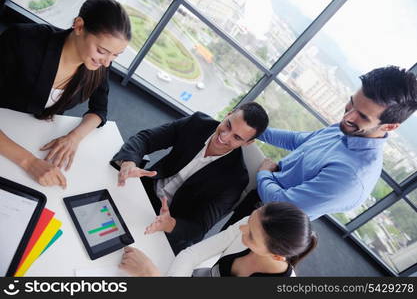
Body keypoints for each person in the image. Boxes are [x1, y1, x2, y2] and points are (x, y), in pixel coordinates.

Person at [224, 66, 417, 227]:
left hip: (269, 224)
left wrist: (264, 173)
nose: (348, 117)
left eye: (363, 116)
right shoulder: (346, 130)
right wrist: (250, 129)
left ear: (390, 126)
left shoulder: (352, 177)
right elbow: (298, 141)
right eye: (351, 104)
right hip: (263, 192)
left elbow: (283, 204)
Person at [0, 0, 131, 188]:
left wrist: (74, 137)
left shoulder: (97, 64)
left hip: (31, 135)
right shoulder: (23, 41)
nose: (107, 62)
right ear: (78, 26)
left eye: (115, 55)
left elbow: (99, 110)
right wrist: (29, 162)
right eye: (103, 51)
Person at [111, 102, 269, 254]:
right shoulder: (197, 123)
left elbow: (199, 228)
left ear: (248, 143)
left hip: (167, 222)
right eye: (228, 125)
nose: (225, 136)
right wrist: (130, 162)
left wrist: (169, 224)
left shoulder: (236, 180)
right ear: (228, 114)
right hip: (145, 189)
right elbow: (146, 139)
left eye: (237, 137)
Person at [119, 202, 317, 277]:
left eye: (250, 236)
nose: (242, 228)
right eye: (250, 218)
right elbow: (192, 254)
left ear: (276, 255)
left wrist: (151, 276)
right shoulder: (254, 223)